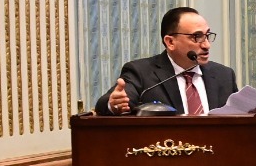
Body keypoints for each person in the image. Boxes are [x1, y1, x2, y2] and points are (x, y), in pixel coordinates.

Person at [95, 7, 237, 116]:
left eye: (207, 35)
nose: (206, 45)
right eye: (196, 37)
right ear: (170, 42)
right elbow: (107, 103)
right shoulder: (141, 72)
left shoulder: (224, 75)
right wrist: (113, 104)